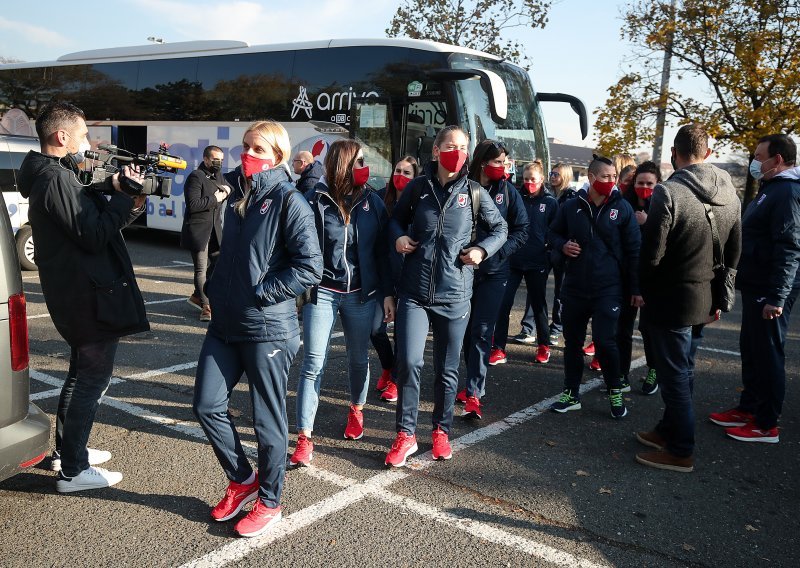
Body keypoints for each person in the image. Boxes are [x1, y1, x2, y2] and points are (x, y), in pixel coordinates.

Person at [192, 120, 322, 537]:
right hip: (225, 323)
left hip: (268, 328)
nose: (248, 153)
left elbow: (310, 267)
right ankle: (242, 479)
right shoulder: (239, 197)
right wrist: (214, 289)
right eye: (246, 146)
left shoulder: (289, 201)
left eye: (258, 148)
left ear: (278, 156)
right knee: (206, 405)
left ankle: (270, 500)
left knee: (267, 423)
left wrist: (262, 292)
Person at [18, 101, 149, 492]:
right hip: (86, 296)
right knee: (90, 379)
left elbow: (89, 220)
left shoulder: (54, 174)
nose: (88, 141)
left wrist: (118, 191)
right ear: (62, 137)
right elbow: (92, 235)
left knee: (82, 376)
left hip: (81, 291)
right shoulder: (54, 179)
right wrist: (126, 199)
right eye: (83, 134)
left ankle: (68, 451)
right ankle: (73, 470)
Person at [385, 125, 507, 467]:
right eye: (451, 146)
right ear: (436, 151)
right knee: (408, 362)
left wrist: (482, 250)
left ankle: (440, 430)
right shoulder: (418, 188)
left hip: (456, 295)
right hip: (414, 293)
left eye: (464, 147)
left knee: (447, 369)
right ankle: (405, 435)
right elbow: (394, 221)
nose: (458, 152)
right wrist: (398, 238)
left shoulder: (475, 192)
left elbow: (501, 229)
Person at [636, 123, 741, 472]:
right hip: (705, 297)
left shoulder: (669, 193)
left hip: (671, 300)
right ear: (708, 153)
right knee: (684, 368)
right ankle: (669, 431)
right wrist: (722, 294)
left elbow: (652, 255)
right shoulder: (729, 190)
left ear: (673, 154)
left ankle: (681, 448)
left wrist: (643, 289)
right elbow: (735, 250)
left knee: (675, 374)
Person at [288, 140, 394, 467]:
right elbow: (298, 246)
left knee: (358, 359)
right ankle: (304, 437)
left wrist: (387, 292)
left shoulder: (372, 202)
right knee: (312, 363)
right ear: (342, 165)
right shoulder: (314, 201)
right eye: (359, 161)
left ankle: (356, 410)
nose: (366, 167)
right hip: (323, 292)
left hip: (361, 294)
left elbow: (384, 251)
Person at [709, 134, 800, 443]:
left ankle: (766, 424)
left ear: (777, 159)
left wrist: (777, 296)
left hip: (769, 289)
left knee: (768, 353)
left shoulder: (787, 192)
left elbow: (789, 247)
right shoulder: (770, 189)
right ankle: (748, 408)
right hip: (755, 284)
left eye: (759, 156)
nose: (754, 162)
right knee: (751, 349)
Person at [548, 155, 641, 419]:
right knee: (573, 343)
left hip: (608, 288)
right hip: (575, 287)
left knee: (604, 341)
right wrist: (562, 245)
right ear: (591, 178)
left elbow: (634, 250)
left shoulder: (621, 209)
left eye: (614, 177)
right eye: (606, 177)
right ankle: (571, 393)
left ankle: (614, 390)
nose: (611, 182)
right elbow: (552, 233)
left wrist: (635, 289)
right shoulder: (570, 206)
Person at [457, 140, 528, 418]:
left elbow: (522, 229)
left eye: (505, 162)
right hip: (461, 272)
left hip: (495, 274)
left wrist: (495, 254)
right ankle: (464, 382)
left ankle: (475, 392)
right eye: (498, 161)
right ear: (482, 162)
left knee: (482, 333)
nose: (503, 167)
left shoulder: (508, 192)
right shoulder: (462, 186)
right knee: (463, 331)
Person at [492, 159, 554, 369]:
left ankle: (544, 345)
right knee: (502, 304)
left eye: (533, 179)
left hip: (538, 261)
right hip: (514, 260)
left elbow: (555, 232)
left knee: (539, 306)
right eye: (526, 179)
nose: (529, 183)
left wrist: (549, 252)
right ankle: (499, 347)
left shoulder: (550, 202)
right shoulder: (515, 196)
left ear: (542, 179)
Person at [372, 156, 420, 402]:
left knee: (403, 333)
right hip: (383, 275)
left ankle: (395, 381)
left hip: (409, 279)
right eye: (397, 171)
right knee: (375, 329)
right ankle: (389, 365)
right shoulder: (381, 199)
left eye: (407, 172)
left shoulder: (420, 204)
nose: (401, 175)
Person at [617, 161, 661, 395]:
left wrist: (648, 223)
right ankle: (622, 374)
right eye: (640, 183)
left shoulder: (664, 206)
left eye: (649, 183)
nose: (644, 187)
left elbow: (667, 240)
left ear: (658, 184)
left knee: (649, 328)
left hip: (653, 277)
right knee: (623, 328)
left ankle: (654, 369)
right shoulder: (625, 204)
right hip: (628, 275)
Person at [181, 145, 231, 322]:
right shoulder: (196, 176)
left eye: (222, 160)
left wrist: (227, 191)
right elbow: (193, 205)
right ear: (206, 159)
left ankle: (197, 295)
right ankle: (206, 306)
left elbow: (226, 187)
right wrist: (215, 198)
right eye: (216, 160)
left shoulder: (217, 175)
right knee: (201, 270)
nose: (219, 163)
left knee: (219, 263)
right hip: (198, 230)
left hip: (215, 230)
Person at [545, 162, 576, 346]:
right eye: (551, 173)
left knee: (560, 292)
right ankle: (531, 326)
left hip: (561, 251)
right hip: (549, 248)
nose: (553, 176)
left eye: (556, 174)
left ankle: (557, 327)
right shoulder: (550, 195)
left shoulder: (571, 197)